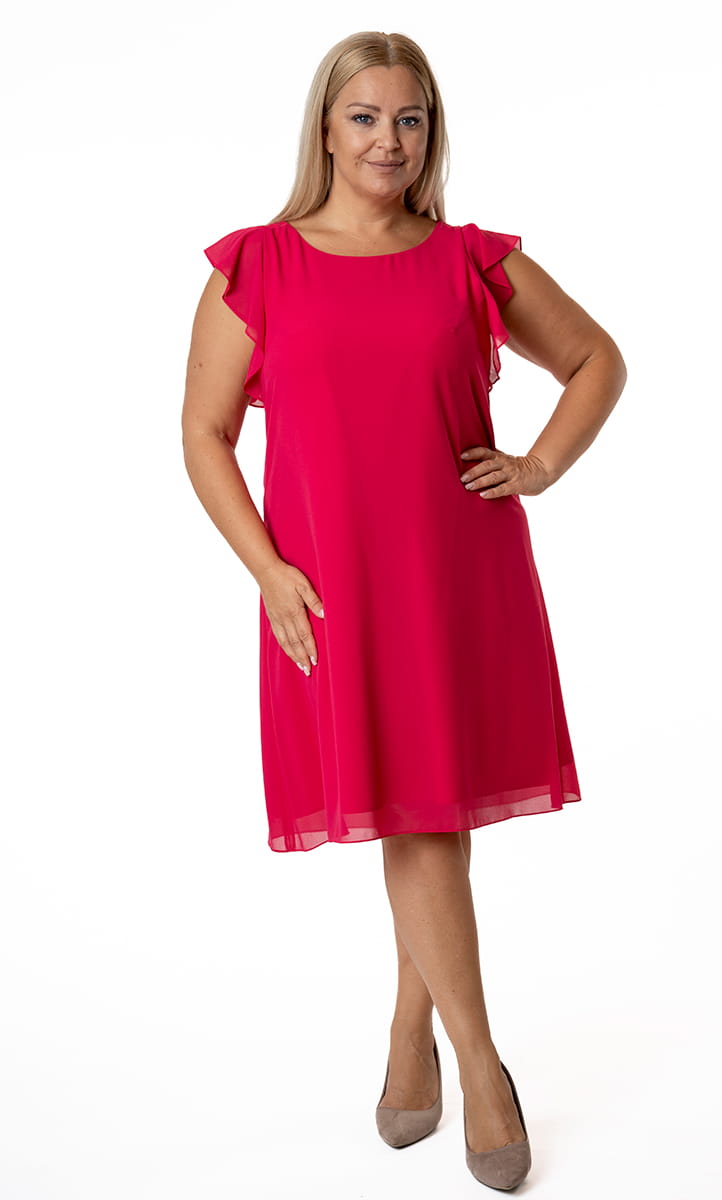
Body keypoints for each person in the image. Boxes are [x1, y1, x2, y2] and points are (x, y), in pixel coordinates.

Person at [182, 29, 626, 1192]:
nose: (389, 140)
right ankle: (454, 1050)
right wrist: (267, 570)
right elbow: (204, 434)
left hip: (457, 568)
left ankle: (439, 1045)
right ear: (325, 130)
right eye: (366, 117)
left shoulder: (470, 262)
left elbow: (595, 360)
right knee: (415, 813)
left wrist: (537, 465)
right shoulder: (256, 267)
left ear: (431, 132)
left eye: (409, 118)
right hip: (330, 587)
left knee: (427, 812)